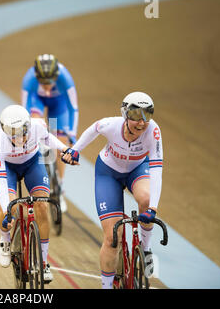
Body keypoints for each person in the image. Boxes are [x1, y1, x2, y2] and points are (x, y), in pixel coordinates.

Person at [61, 91, 163, 289]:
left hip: (137, 170)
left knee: (146, 199)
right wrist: (75, 149)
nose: (142, 122)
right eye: (136, 115)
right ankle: (106, 286)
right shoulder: (112, 124)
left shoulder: (153, 131)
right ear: (125, 114)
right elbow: (94, 129)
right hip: (108, 172)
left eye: (147, 116)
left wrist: (153, 208)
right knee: (112, 239)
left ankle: (147, 248)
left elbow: (157, 170)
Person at [0, 104, 68, 283]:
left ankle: (43, 262)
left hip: (32, 164)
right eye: (15, 134)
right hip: (8, 170)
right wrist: (6, 209)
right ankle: (5, 241)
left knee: (42, 205)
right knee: (8, 210)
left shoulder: (37, 125)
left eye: (24, 132)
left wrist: (65, 149)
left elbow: (49, 139)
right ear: (6, 132)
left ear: (28, 125)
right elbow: (2, 182)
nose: (21, 137)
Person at [21, 54, 78, 212]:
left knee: (62, 138)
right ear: (37, 76)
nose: (46, 88)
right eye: (43, 83)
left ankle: (60, 185)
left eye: (50, 83)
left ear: (56, 76)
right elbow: (25, 108)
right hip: (36, 101)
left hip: (58, 105)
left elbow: (73, 108)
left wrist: (72, 133)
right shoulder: (29, 78)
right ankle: (40, 160)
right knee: (34, 122)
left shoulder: (65, 77)